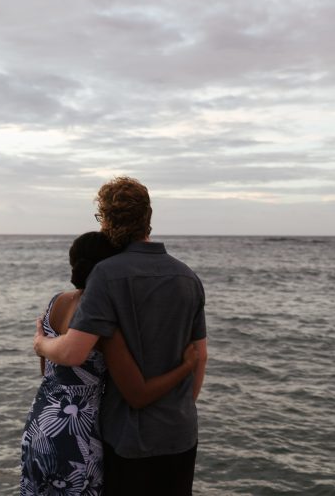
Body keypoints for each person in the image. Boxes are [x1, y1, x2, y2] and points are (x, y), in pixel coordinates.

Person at [33, 177, 208, 496]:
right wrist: (176, 410)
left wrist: (40, 343)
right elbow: (200, 357)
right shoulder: (188, 277)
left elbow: (73, 352)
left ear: (106, 220)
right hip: (181, 433)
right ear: (148, 218)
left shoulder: (107, 274)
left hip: (129, 438)